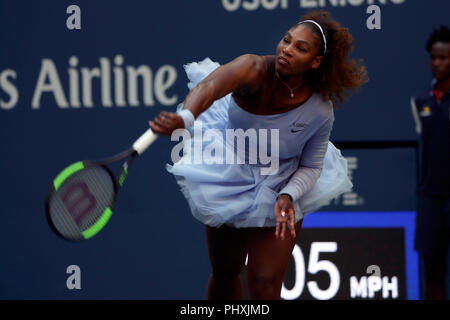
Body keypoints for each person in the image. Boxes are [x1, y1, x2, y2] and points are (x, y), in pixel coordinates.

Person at [149, 10, 367, 300]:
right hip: (231, 171)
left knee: (265, 283)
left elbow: (312, 166)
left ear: (315, 62)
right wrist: (187, 118)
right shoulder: (252, 68)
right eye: (286, 41)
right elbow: (209, 86)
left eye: (300, 48)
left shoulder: (320, 110)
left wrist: (288, 195)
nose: (287, 50)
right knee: (226, 272)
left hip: (283, 182)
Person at [410, 25, 450, 300]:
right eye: (434, 57)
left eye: (444, 58)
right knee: (432, 273)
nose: (437, 63)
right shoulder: (420, 101)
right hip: (431, 202)